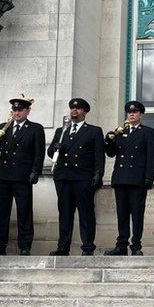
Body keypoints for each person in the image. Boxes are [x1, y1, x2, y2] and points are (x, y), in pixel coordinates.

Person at [0, 94, 46, 256]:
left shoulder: (35, 128)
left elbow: (39, 153)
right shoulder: (4, 126)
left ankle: (25, 246)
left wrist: (35, 172)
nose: (17, 113)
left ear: (28, 111)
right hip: (3, 175)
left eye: (20, 110)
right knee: (1, 212)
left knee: (24, 212)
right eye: (14, 110)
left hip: (22, 176)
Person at [47, 97, 104, 256]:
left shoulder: (93, 131)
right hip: (63, 177)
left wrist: (98, 174)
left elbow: (99, 156)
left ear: (84, 112)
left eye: (78, 109)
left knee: (86, 213)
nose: (74, 111)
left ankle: (87, 247)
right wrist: (54, 148)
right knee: (64, 213)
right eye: (72, 108)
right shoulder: (62, 130)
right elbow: (51, 152)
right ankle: (63, 247)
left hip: (83, 178)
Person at [104, 100, 154, 256]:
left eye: (135, 112)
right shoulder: (120, 132)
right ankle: (121, 245)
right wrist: (109, 141)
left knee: (137, 213)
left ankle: (136, 245)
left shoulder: (147, 132)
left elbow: (151, 156)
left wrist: (149, 178)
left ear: (140, 115)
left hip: (137, 179)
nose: (132, 114)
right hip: (120, 178)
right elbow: (111, 153)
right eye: (129, 112)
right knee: (122, 213)